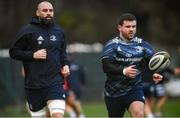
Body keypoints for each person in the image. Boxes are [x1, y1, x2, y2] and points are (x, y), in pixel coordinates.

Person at [9, 1, 70, 118]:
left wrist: (66, 65)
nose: (48, 13)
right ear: (38, 12)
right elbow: (13, 52)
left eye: (51, 11)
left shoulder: (59, 31)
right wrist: (32, 55)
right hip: (34, 85)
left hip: (55, 82)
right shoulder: (27, 31)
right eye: (45, 10)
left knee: (58, 116)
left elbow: (63, 53)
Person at [101, 13, 163, 117]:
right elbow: (106, 66)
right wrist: (124, 71)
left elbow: (152, 63)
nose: (131, 29)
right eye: (128, 26)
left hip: (134, 89)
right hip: (113, 92)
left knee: (139, 114)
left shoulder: (143, 45)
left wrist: (156, 73)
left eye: (133, 26)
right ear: (120, 27)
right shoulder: (112, 45)